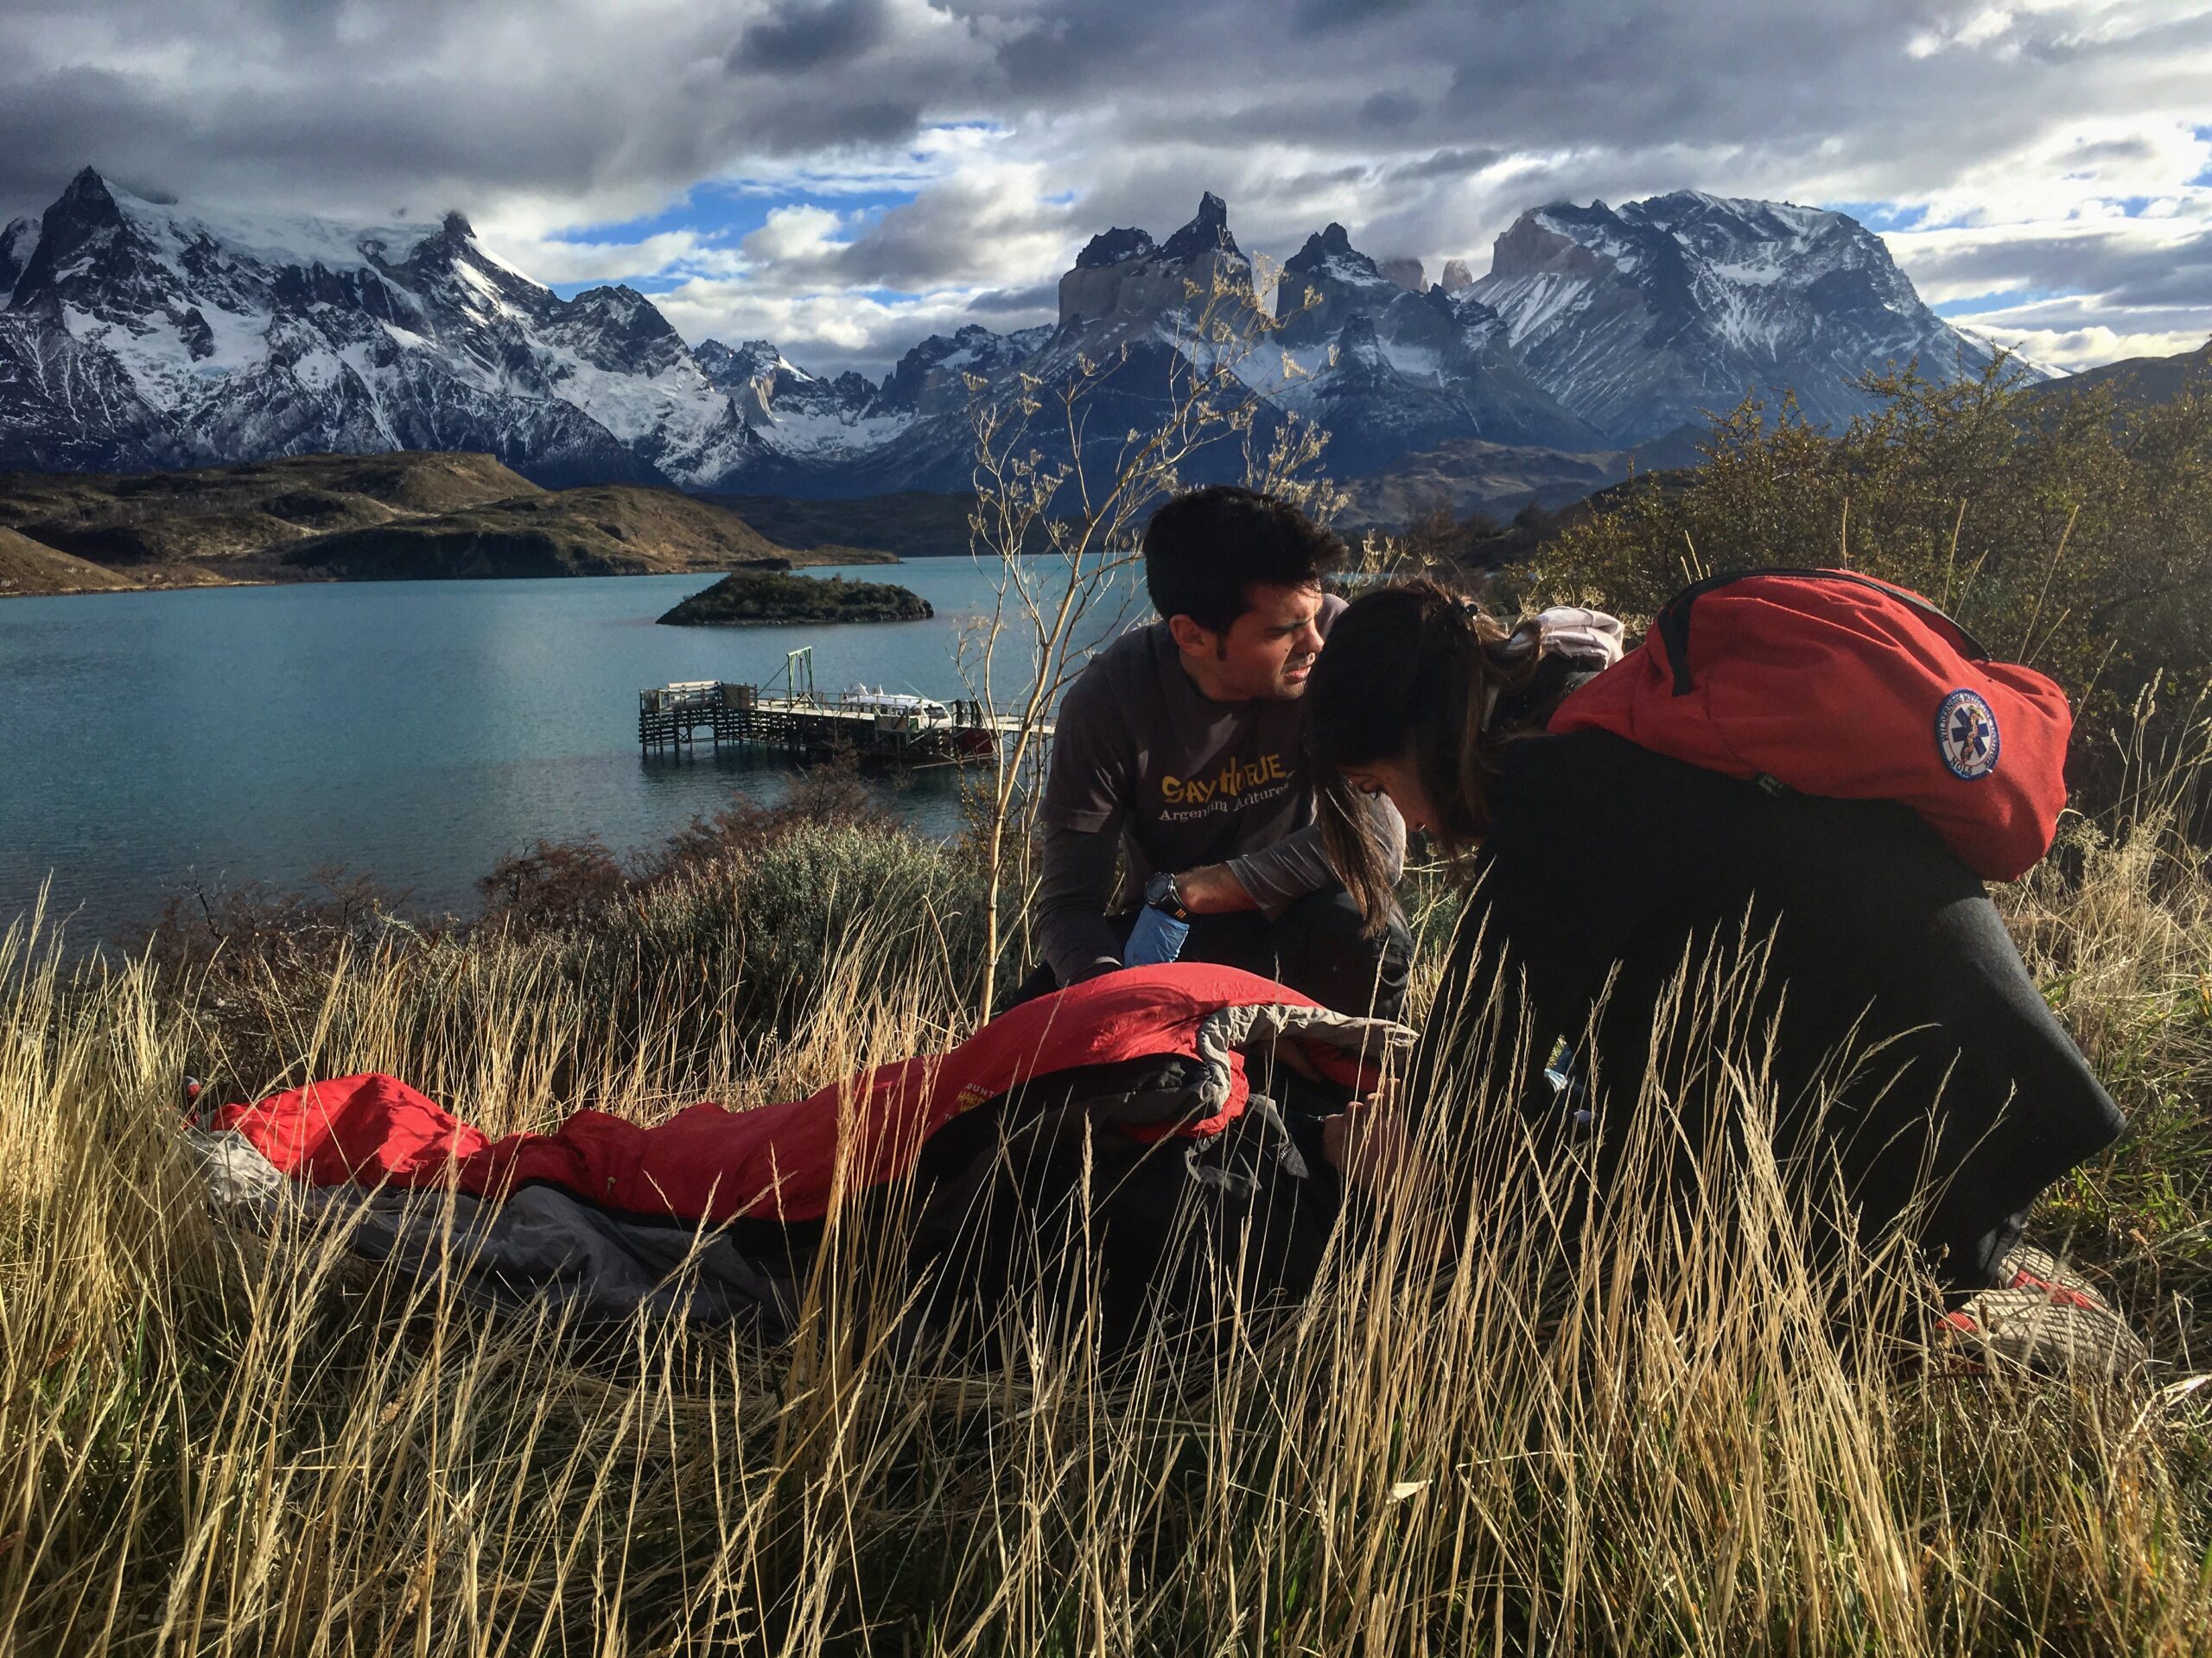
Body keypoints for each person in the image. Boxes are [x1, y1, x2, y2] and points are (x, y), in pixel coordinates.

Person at [1304, 577, 2128, 1304]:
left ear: (1420, 735)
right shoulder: (1638, 715)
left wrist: (1376, 1147)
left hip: (1888, 1182)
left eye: (1380, 785)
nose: (1407, 820)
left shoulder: (1560, 788)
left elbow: (1469, 1087)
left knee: (1519, 1203)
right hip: (1987, 1114)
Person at [1014, 486, 1413, 1020]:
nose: (1314, 642)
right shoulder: (1109, 702)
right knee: (1012, 1050)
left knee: (1368, 929)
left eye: (1314, 616)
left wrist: (1198, 889)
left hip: (1297, 921)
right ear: (1193, 636)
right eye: (1285, 630)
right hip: (1173, 945)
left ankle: (1341, 1092)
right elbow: (1068, 907)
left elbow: (1379, 843)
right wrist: (1120, 1000)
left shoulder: (1336, 645)